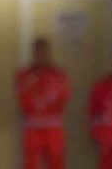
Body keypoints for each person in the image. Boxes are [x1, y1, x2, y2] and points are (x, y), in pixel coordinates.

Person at [16, 38, 70, 169]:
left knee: (57, 162)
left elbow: (63, 98)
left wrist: (45, 104)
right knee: (31, 163)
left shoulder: (59, 75)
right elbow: (24, 101)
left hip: (53, 127)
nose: (40, 55)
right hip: (33, 127)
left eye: (43, 51)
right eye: (37, 51)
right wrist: (42, 103)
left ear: (48, 53)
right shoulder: (24, 76)